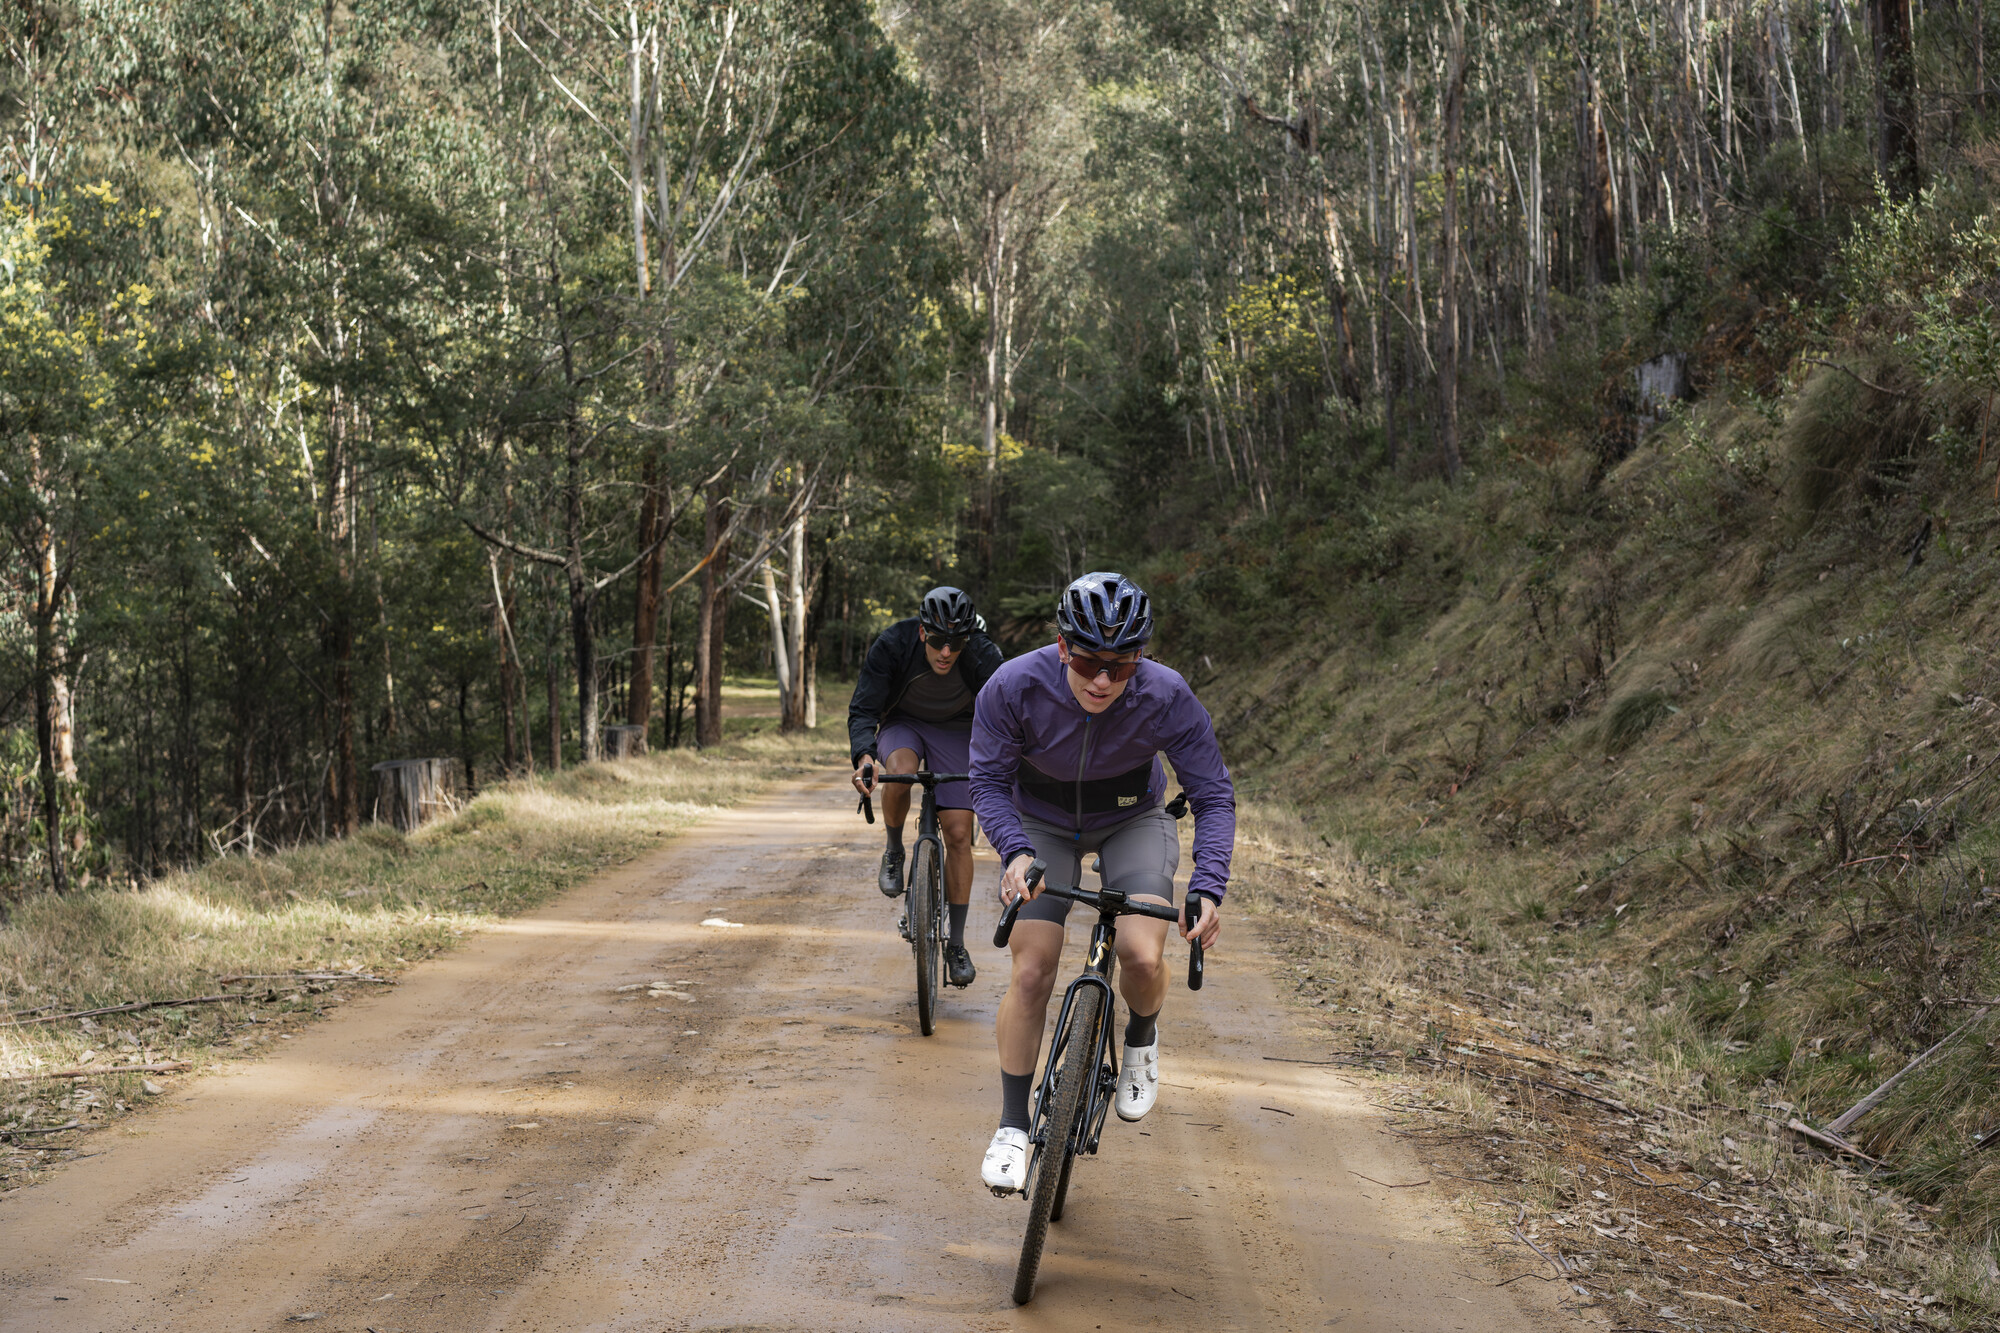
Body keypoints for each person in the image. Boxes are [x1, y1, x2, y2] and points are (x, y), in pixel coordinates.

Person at [968, 571, 1233, 1194]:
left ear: (1141, 657)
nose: (1103, 679)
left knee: (1142, 952)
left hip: (1132, 818)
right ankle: (1012, 1125)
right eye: (1087, 660)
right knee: (1032, 969)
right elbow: (985, 782)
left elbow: (1213, 796)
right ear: (1062, 646)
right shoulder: (1013, 686)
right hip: (1040, 825)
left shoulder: (1166, 695)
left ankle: (1141, 1034)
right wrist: (1013, 852)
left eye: (1122, 664)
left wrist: (1210, 884)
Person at [849, 586, 1005, 988]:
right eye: (938, 641)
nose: (946, 653)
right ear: (922, 633)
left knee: (957, 832)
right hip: (904, 723)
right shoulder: (893, 645)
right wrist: (865, 756)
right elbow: (865, 707)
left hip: (958, 731)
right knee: (899, 771)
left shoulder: (983, 655)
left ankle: (955, 943)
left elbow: (1011, 709)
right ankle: (895, 850)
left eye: (956, 644)